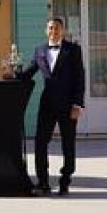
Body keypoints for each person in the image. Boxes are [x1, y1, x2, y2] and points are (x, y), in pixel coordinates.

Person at [17, 16, 85, 195]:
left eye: (57, 28)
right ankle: (43, 182)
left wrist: (78, 104)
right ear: (46, 31)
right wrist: (13, 74)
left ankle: (65, 180)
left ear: (63, 31)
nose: (53, 31)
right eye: (50, 28)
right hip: (47, 103)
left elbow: (79, 77)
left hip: (68, 104)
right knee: (40, 142)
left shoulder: (73, 50)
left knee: (68, 143)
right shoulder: (39, 50)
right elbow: (29, 72)